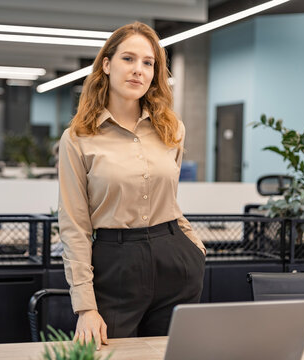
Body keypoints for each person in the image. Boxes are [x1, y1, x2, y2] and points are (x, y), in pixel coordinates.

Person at [58, 22, 206, 350]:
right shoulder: (78, 138)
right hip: (115, 263)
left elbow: (169, 198)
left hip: (174, 259)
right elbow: (74, 225)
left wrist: (195, 248)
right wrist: (85, 306)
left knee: (173, 356)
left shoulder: (172, 129)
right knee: (108, 354)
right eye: (128, 59)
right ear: (107, 65)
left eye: (148, 63)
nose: (138, 70)